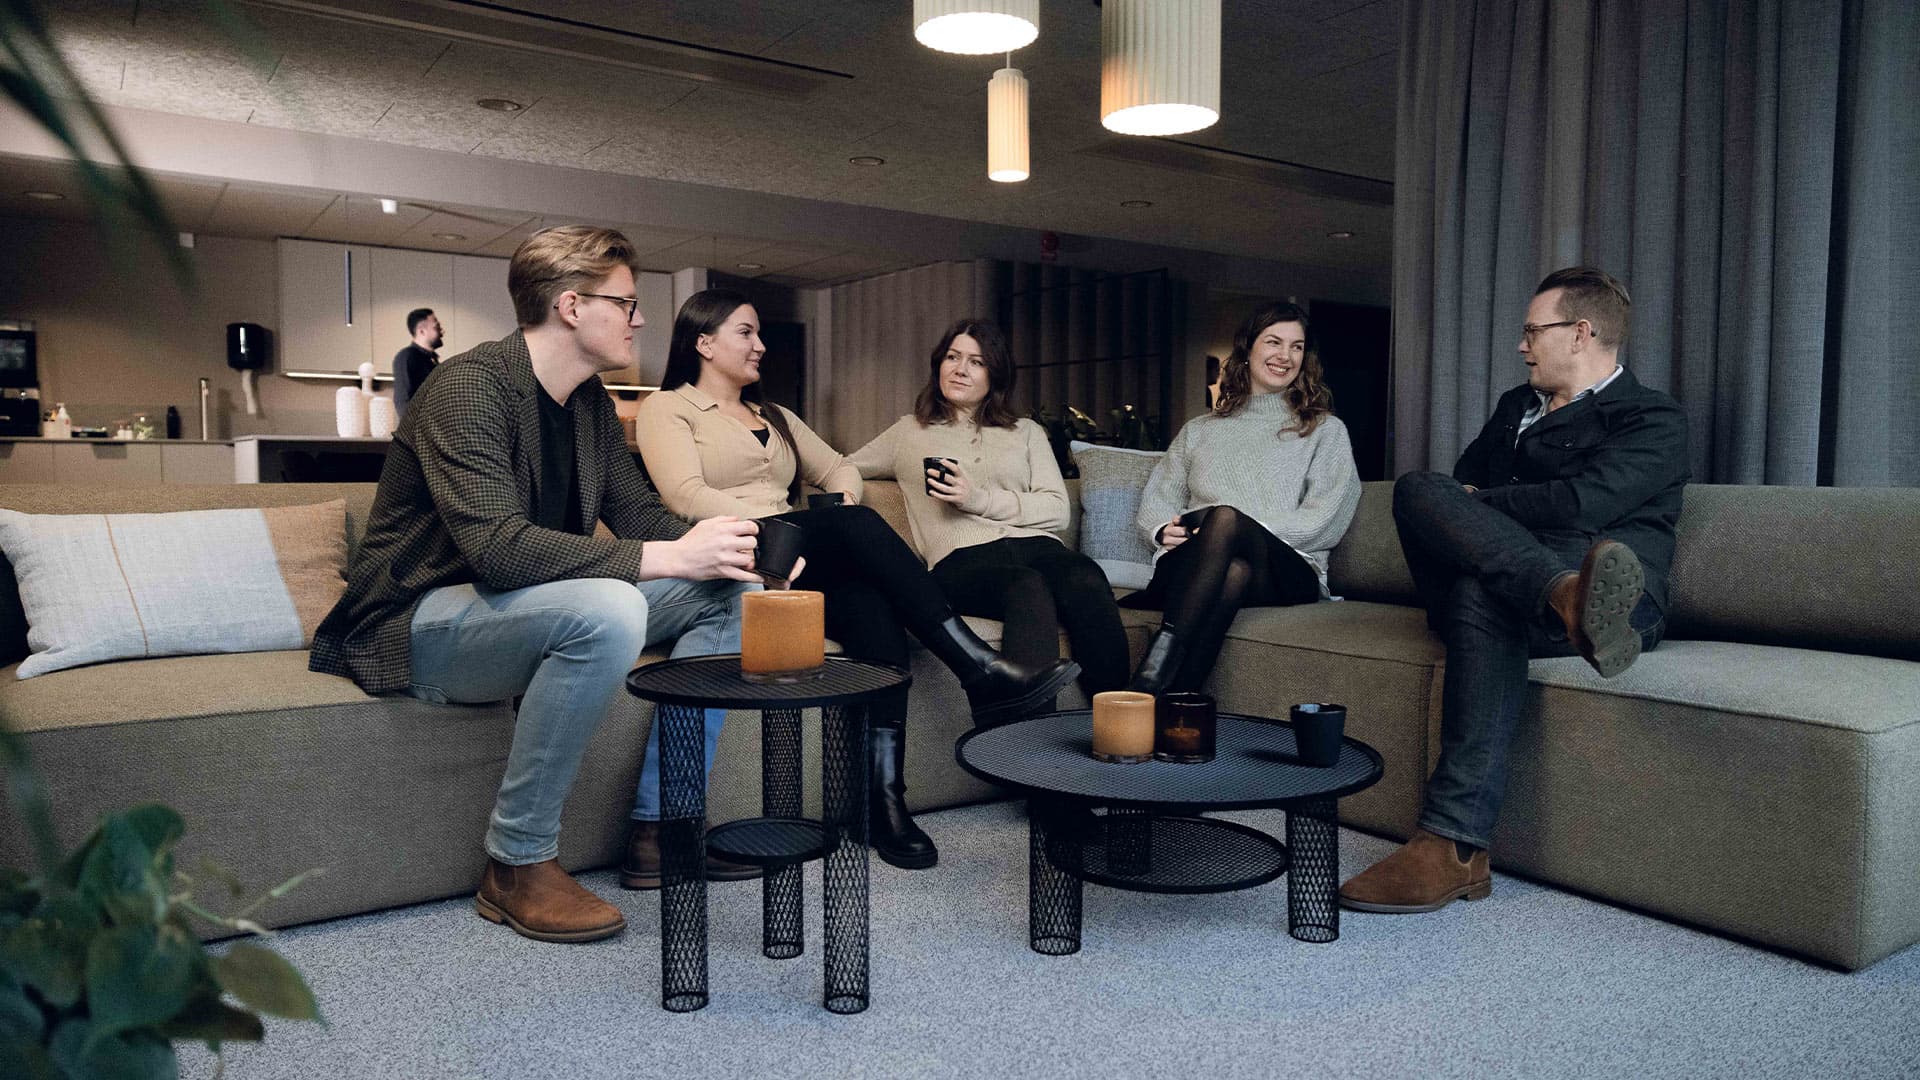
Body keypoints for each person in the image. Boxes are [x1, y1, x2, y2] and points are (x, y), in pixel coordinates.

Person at [310, 226, 766, 944]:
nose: (641, 319)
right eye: (628, 302)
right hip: (416, 620)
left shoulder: (586, 403)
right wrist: (671, 558)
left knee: (734, 594)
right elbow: (498, 550)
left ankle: (663, 827)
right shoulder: (467, 388)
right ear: (572, 305)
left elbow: (639, 515)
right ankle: (516, 864)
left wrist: (736, 546)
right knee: (611, 608)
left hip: (518, 609)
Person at [637, 289, 1081, 871]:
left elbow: (840, 464)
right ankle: (977, 669)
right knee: (858, 528)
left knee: (875, 616)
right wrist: (792, 527)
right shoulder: (667, 408)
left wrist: (840, 499)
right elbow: (685, 495)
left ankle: (881, 802)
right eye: (746, 332)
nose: (761, 345)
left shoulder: (777, 417)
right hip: (736, 547)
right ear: (703, 342)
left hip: (795, 560)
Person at [1339, 266, 1688, 915]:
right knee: (1417, 487)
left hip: (1617, 596)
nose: (1522, 345)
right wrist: (1472, 508)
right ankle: (1559, 595)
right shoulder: (1513, 407)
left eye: (1533, 331)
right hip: (1540, 583)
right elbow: (1450, 495)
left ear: (1580, 332)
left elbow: (1587, 505)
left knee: (1482, 589)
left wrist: (1480, 509)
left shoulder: (1651, 418)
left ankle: (1451, 848)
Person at [849, 318, 1129, 697]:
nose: (960, 369)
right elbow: (842, 465)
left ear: (995, 376)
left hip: (1038, 547)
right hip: (962, 560)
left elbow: (1057, 509)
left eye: (976, 362)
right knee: (1026, 587)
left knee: (1085, 577)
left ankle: (1121, 721)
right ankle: (1024, 740)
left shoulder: (1026, 431)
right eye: (952, 357)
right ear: (939, 365)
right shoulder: (908, 431)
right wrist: (844, 492)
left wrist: (977, 499)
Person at [1124, 301, 1362, 695]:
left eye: (1297, 346)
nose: (1285, 356)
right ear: (1248, 349)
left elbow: (1325, 520)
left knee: (1226, 521)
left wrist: (1241, 530)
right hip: (1202, 564)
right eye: (1273, 342)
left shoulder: (1325, 431)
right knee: (1233, 571)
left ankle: (1149, 674)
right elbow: (1158, 498)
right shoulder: (1200, 430)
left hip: (1287, 572)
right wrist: (1159, 530)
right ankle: (1174, 701)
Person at [391, 307, 442, 417]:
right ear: (422, 331)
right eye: (436, 327)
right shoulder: (408, 357)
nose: (442, 331)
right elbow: (403, 401)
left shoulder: (432, 361)